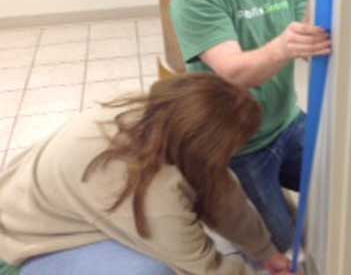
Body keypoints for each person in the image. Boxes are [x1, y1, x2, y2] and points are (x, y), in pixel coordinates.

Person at [171, 0, 331, 254]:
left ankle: (281, 199)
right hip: (241, 144)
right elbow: (234, 72)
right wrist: (284, 46)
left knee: (337, 188)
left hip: (288, 121)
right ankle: (257, 203)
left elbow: (310, 39)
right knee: (284, 245)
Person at [0, 74, 295, 275]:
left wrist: (266, 252)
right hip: (21, 239)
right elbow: (200, 266)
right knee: (152, 270)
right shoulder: (149, 192)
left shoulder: (162, 116)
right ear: (205, 148)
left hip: (53, 201)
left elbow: (224, 196)